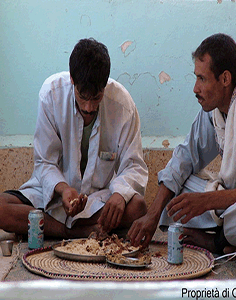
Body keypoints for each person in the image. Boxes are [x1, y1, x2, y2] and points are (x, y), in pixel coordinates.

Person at [128, 33, 236, 262]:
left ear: (225, 79)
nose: (195, 88)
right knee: (174, 192)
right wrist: (152, 213)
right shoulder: (215, 107)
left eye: (202, 79)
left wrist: (206, 202)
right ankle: (232, 241)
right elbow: (185, 156)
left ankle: (217, 241)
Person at [0, 38, 148, 238]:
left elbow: (134, 166)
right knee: (1, 208)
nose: (89, 107)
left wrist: (120, 194)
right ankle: (73, 232)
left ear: (106, 84)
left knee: (137, 206)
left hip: (97, 200)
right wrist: (63, 189)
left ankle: (58, 229)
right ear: (72, 80)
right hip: (52, 197)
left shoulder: (123, 104)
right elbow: (44, 161)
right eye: (82, 97)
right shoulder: (51, 94)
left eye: (96, 98)